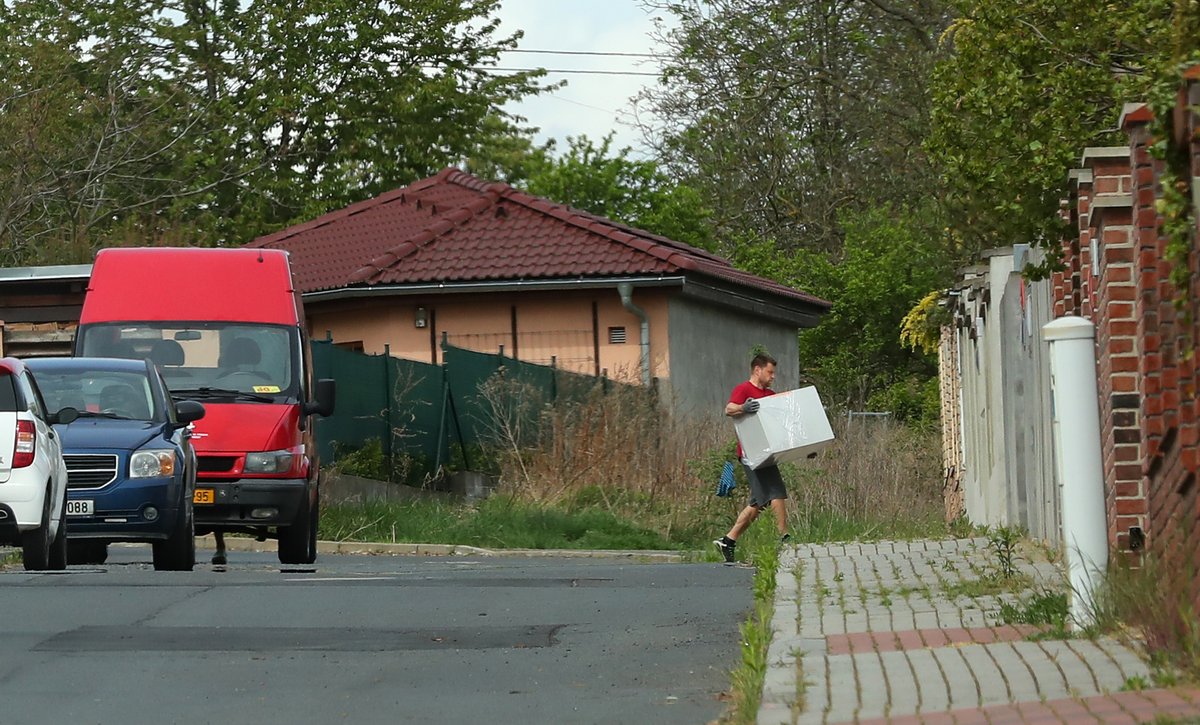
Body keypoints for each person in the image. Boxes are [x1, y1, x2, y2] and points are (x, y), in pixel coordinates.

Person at [714, 352, 790, 564]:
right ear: (758, 370)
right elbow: (729, 409)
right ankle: (784, 539)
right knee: (775, 492)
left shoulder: (770, 394)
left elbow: (779, 426)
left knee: (760, 502)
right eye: (770, 372)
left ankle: (728, 541)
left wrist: (803, 449)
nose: (773, 376)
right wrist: (743, 408)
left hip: (767, 453)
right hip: (750, 454)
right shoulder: (744, 389)